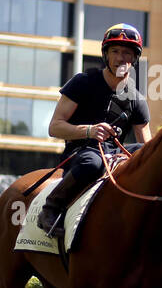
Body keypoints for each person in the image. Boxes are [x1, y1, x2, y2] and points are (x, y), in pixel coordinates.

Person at [38, 22, 152, 236]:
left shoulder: (136, 98)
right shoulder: (83, 82)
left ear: (134, 59)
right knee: (93, 162)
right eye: (115, 51)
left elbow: (148, 146)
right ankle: (50, 209)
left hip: (115, 156)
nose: (120, 58)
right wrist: (89, 131)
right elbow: (55, 127)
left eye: (127, 53)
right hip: (81, 154)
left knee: (143, 154)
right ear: (106, 55)